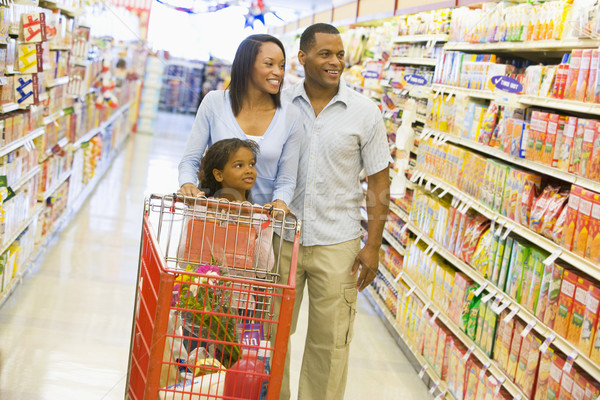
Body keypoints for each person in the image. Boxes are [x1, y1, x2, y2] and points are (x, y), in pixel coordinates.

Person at [276, 23, 392, 399]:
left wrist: (372, 245)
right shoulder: (280, 102)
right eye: (325, 54)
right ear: (303, 57)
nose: (335, 61)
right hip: (280, 238)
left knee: (331, 344)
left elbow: (378, 184)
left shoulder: (365, 111)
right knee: (271, 334)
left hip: (337, 243)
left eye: (339, 54)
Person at [178, 34, 303, 214]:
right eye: (269, 64)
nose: (279, 72)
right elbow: (190, 160)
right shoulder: (214, 103)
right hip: (211, 218)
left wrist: (280, 201)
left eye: (282, 66)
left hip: (258, 224)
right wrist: (187, 183)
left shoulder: (291, 115)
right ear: (247, 66)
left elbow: (286, 178)